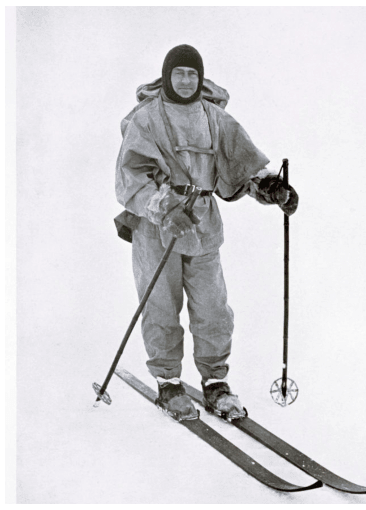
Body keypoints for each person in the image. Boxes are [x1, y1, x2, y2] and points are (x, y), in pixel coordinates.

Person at [114, 44, 298, 421]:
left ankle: (215, 382)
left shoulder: (215, 118)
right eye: (179, 73)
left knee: (213, 308)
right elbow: (131, 176)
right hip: (157, 228)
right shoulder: (146, 119)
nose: (185, 80)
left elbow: (243, 164)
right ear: (167, 76)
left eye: (192, 74)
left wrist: (270, 186)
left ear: (200, 78)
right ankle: (168, 382)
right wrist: (165, 208)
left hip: (202, 224)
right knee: (161, 305)